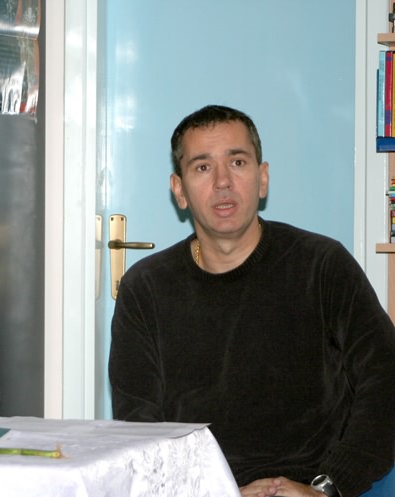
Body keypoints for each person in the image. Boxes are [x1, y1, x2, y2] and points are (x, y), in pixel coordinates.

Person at [108, 104, 395, 497]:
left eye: (238, 162)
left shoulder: (322, 265)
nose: (223, 182)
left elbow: (385, 380)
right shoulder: (145, 289)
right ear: (179, 190)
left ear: (262, 179)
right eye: (202, 167)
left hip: (312, 485)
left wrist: (329, 487)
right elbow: (140, 428)